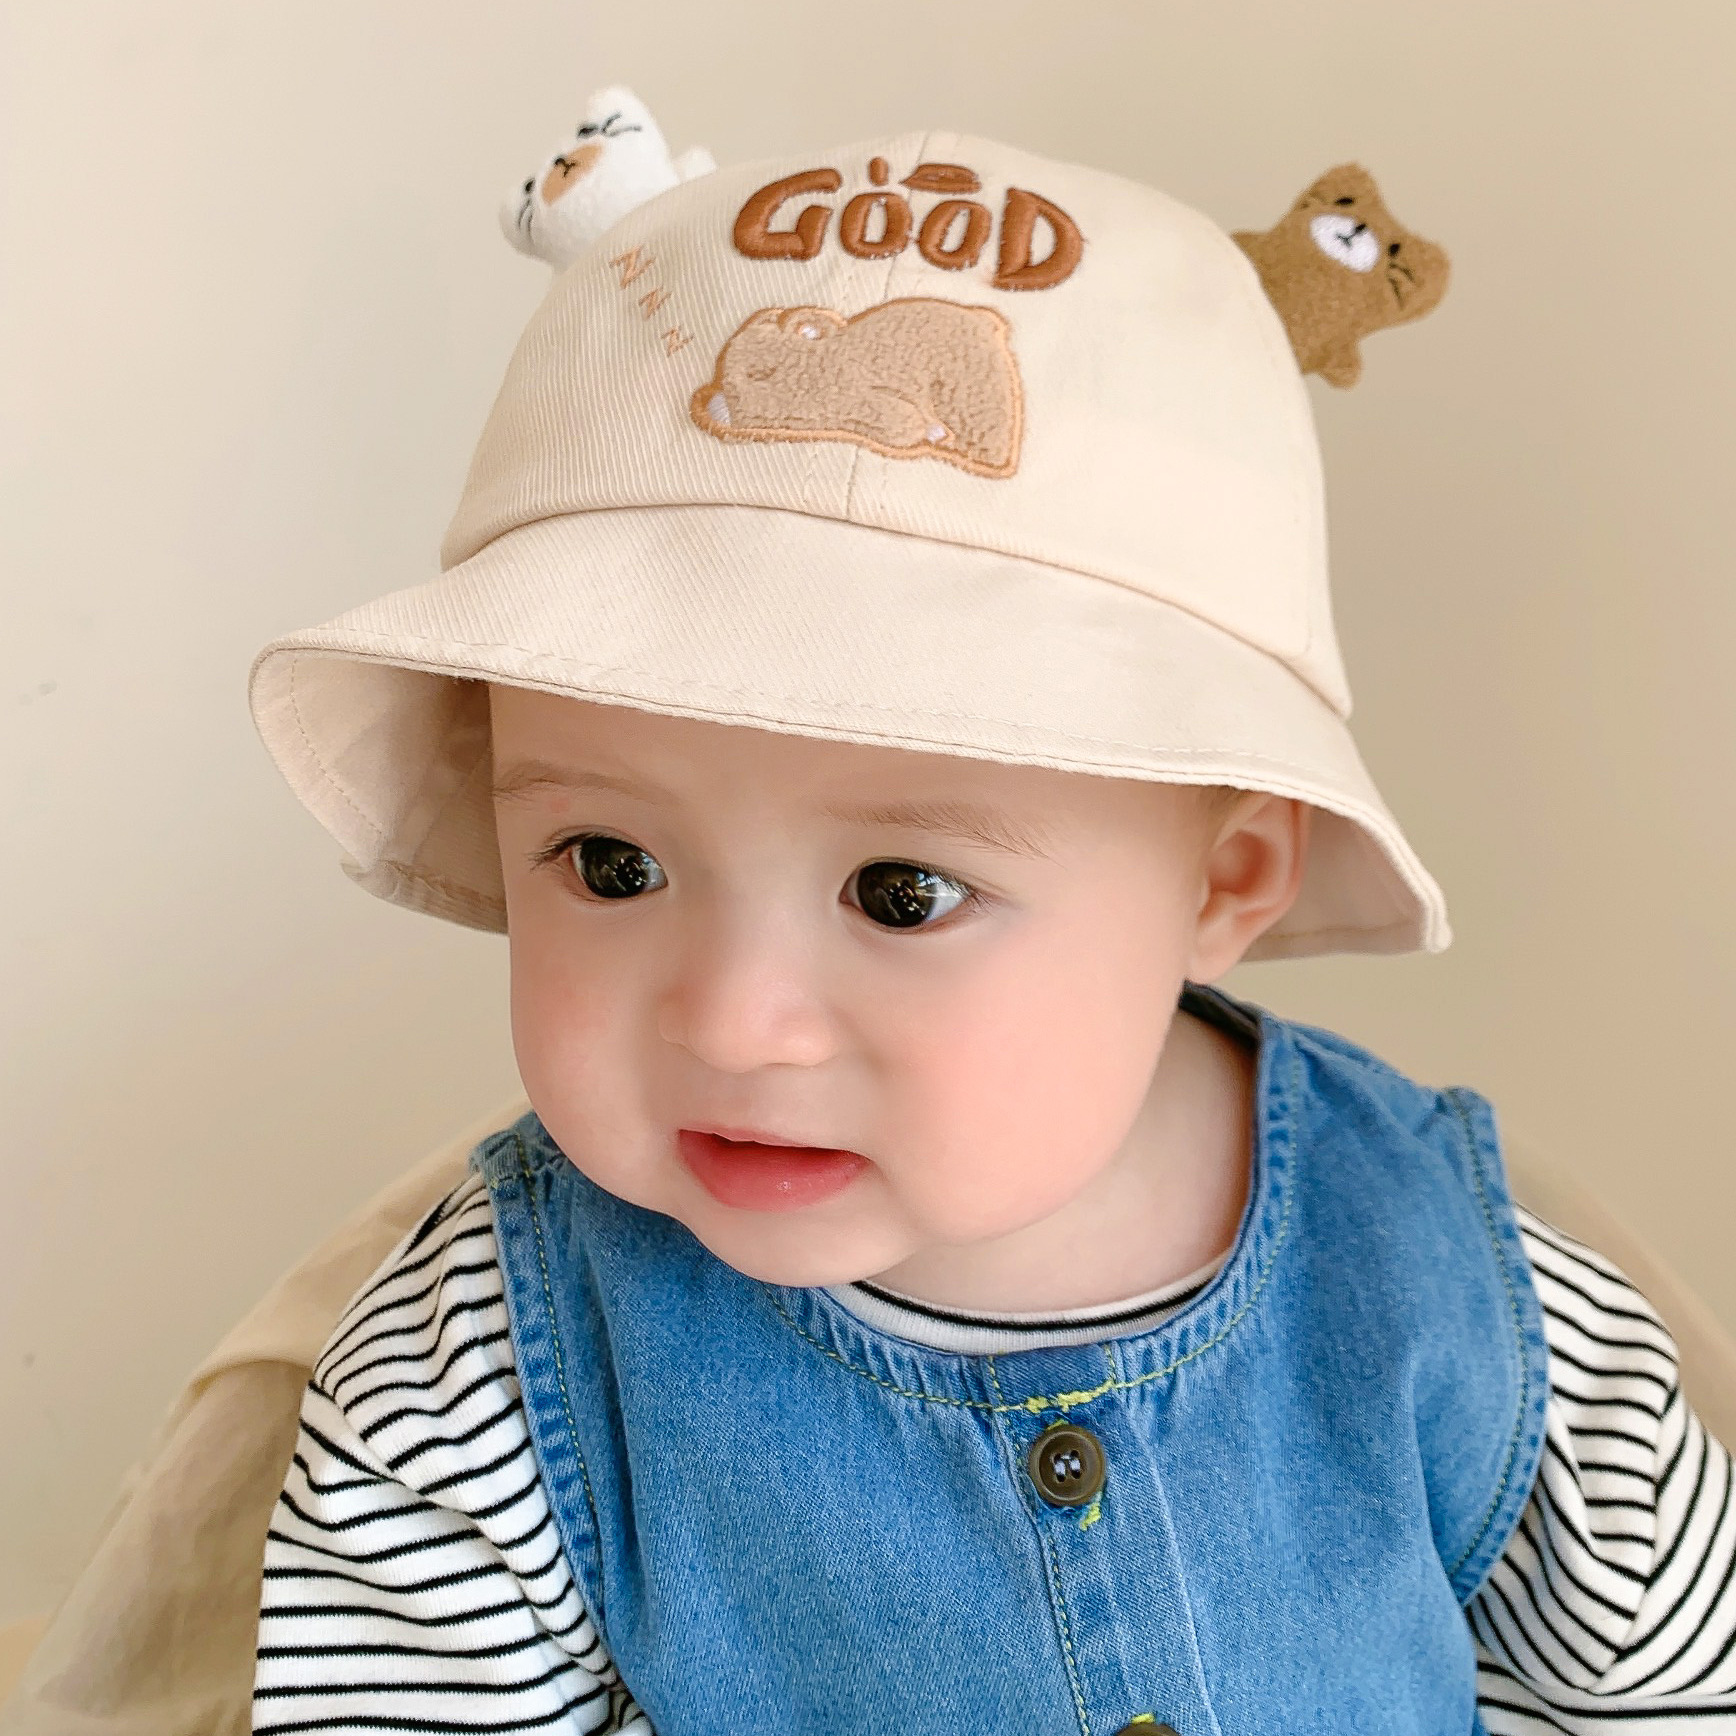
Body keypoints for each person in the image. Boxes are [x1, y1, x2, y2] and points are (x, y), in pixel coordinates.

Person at [243, 118, 1736, 1734]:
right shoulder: (488, 1368)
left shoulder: (1461, 1296)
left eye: (905, 892)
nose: (734, 1020)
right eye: (609, 863)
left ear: (1226, 877)